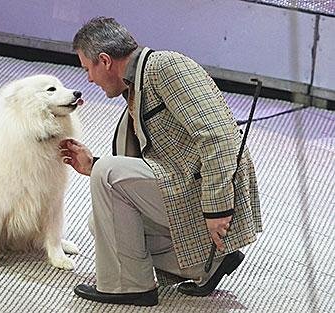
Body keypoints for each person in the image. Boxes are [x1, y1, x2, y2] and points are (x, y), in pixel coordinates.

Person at [59, 17, 262, 306]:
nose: (88, 78)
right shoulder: (141, 79)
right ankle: (206, 264)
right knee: (102, 222)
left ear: (104, 61)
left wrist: (218, 207)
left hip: (211, 195)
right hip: (186, 185)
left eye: (88, 69)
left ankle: (129, 286)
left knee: (108, 178)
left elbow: (219, 137)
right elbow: (153, 163)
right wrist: (93, 165)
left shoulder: (166, 67)